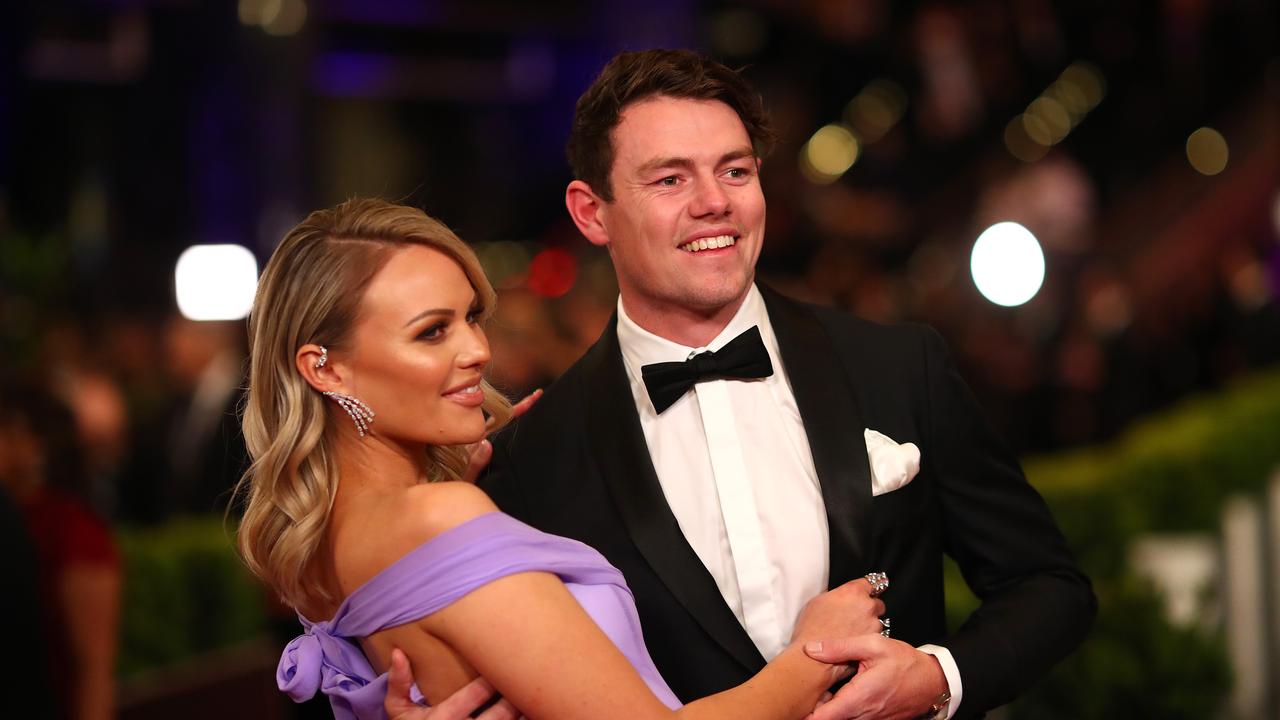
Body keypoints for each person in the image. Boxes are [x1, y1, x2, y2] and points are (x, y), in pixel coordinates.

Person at [397, 49, 1095, 720]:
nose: (713, 203)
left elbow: (1049, 587)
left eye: (733, 171)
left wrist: (938, 678)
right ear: (591, 212)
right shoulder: (533, 460)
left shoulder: (896, 365)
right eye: (669, 179)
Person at [235, 198, 889, 719]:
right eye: (432, 331)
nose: (477, 350)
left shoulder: (329, 539)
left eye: (472, 317)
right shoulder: (439, 517)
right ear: (326, 369)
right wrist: (814, 651)